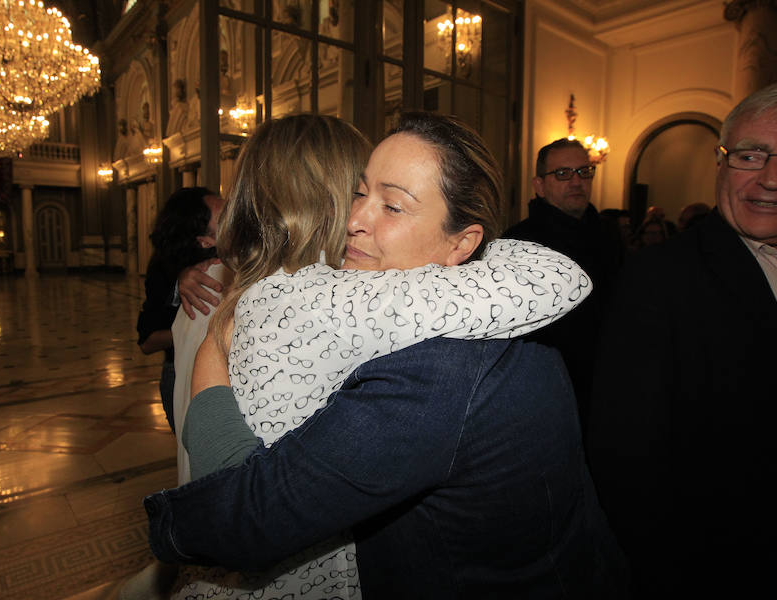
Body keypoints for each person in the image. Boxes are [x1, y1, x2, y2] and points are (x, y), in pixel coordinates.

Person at [146, 112, 627, 598]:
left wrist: (215, 339)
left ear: (462, 244)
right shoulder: (467, 317)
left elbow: (246, 519)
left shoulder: (432, 370)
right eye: (358, 192)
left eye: (393, 206)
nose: (353, 221)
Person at [589, 79, 777, 598]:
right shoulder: (658, 279)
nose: (772, 178)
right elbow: (626, 463)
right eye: (751, 155)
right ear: (722, 162)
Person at [501, 138, 623, 428]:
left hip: (610, 383)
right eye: (563, 174)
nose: (576, 182)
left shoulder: (609, 235)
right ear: (539, 185)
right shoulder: (518, 243)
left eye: (584, 171)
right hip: (549, 395)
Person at [135, 187, 221, 432]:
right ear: (204, 240)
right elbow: (147, 341)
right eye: (224, 216)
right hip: (182, 373)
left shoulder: (229, 260)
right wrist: (196, 330)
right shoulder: (167, 272)